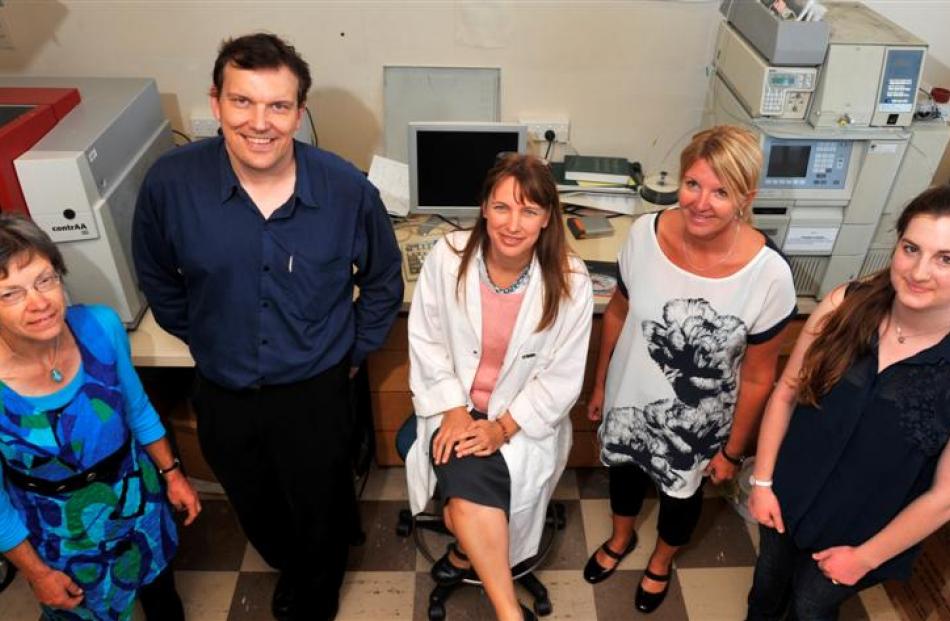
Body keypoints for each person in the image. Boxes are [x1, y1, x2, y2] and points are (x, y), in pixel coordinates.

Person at [132, 33, 403, 621]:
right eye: (242, 102)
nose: (261, 122)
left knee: (322, 503)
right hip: (223, 386)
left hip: (317, 388)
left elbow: (383, 282)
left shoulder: (346, 190)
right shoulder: (170, 185)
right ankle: (294, 566)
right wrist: (205, 337)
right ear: (216, 102)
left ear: (299, 113)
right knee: (254, 503)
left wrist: (349, 355)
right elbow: (156, 275)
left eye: (278, 105)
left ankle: (317, 590)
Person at [584, 125, 797, 613]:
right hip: (628, 395)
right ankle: (620, 540)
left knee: (681, 497)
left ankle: (660, 561)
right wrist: (600, 385)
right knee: (623, 475)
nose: (701, 202)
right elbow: (617, 311)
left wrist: (733, 450)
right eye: (693, 185)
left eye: (721, 192)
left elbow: (761, 376)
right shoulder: (644, 233)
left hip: (702, 422)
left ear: (747, 197)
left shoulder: (769, 275)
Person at [746, 185, 950, 620]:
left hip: (864, 533)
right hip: (787, 500)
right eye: (910, 248)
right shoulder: (845, 304)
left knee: (810, 608)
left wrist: (866, 558)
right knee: (765, 590)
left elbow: (944, 497)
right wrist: (762, 483)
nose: (919, 271)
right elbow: (786, 392)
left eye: (945, 259)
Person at [406, 154, 593, 621]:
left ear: (547, 218)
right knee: (468, 485)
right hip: (454, 406)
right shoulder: (447, 258)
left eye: (529, 211)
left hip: (521, 421)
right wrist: (452, 409)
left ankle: (468, 557)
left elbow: (562, 378)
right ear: (484, 208)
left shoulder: (570, 281)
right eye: (503, 207)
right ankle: (510, 613)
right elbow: (426, 339)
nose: (514, 224)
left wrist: (502, 428)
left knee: (462, 508)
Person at [0, 215, 200, 621]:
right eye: (10, 294)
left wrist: (173, 473)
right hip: (61, 534)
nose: (39, 302)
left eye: (45, 280)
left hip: (136, 496)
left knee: (163, 596)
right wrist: (36, 572)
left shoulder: (100, 325)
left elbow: (137, 409)